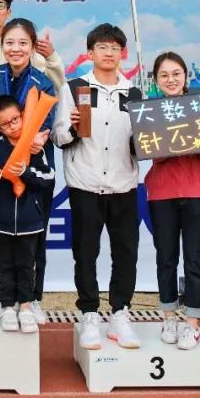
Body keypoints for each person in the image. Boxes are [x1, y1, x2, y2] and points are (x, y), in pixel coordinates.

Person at [52, 24, 142, 350]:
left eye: (115, 48)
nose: (108, 53)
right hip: (85, 183)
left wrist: (145, 139)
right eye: (102, 47)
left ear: (123, 54)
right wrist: (73, 128)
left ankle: (120, 312)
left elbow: (142, 145)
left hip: (123, 184)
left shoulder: (134, 93)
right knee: (86, 252)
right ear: (90, 53)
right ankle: (89, 313)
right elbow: (58, 135)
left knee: (126, 252)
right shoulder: (75, 87)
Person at [0, 18, 56, 326]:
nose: (16, 49)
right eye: (9, 42)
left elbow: (46, 122)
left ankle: (32, 300)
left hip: (33, 164)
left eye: (23, 43)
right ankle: (2, 299)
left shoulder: (42, 81)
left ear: (33, 47)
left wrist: (38, 139)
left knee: (35, 238)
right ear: (1, 45)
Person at [143, 51, 200, 351]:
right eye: (164, 75)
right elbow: (151, 150)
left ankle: (192, 323)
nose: (171, 79)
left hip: (199, 191)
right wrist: (180, 138)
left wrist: (178, 137)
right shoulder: (149, 111)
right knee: (166, 257)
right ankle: (169, 316)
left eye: (176, 74)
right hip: (162, 192)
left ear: (186, 76)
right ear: (156, 80)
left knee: (195, 258)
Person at [0, 96, 56, 333]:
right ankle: (7, 307)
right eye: (6, 123)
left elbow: (48, 177)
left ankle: (25, 307)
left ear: (23, 116)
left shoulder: (35, 146)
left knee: (26, 266)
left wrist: (26, 172)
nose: (13, 126)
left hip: (30, 221)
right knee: (3, 266)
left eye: (16, 119)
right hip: (0, 222)